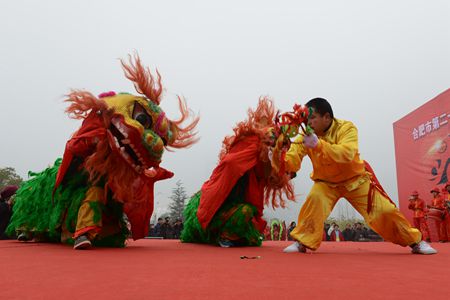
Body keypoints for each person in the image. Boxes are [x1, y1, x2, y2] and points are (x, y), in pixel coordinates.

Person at [281, 98, 436, 254]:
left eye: (312, 118)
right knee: (315, 199)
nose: (309, 123)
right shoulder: (305, 137)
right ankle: (301, 242)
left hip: (356, 180)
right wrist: (276, 154)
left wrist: (319, 145)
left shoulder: (346, 128)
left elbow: (347, 153)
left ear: (326, 117)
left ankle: (415, 241)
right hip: (326, 183)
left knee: (385, 211)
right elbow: (292, 163)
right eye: (306, 119)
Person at [180, 98, 295, 247]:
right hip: (220, 205)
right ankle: (223, 235)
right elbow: (231, 163)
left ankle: (228, 234)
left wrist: (274, 154)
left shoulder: (261, 166)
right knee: (244, 213)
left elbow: (271, 175)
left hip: (238, 206)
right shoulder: (246, 149)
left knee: (249, 224)